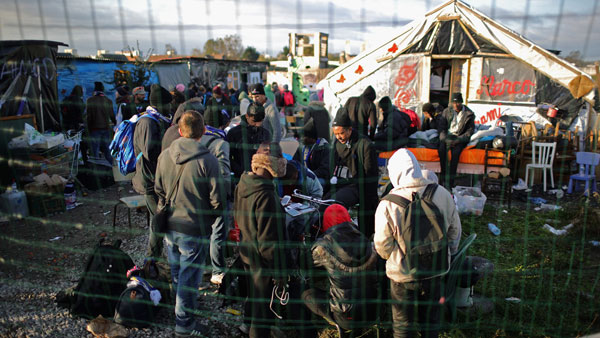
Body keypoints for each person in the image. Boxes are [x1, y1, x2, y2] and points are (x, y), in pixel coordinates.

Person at [374, 149, 461, 338]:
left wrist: (393, 257)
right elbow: (455, 232)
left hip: (402, 274)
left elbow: (382, 246)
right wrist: (448, 252)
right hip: (435, 270)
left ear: (394, 172)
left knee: (402, 325)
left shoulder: (387, 204)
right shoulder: (442, 194)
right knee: (431, 322)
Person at [155, 110, 225, 337]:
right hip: (194, 226)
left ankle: (181, 309)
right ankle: (184, 323)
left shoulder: (164, 155)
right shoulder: (208, 160)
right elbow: (218, 199)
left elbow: (158, 189)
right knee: (188, 275)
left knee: (177, 270)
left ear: (179, 130)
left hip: (170, 224)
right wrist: (212, 216)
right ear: (204, 131)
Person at [234, 142, 289, 338]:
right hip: (262, 261)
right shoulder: (266, 196)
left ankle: (246, 325)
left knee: (253, 296)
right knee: (263, 310)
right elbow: (269, 242)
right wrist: (279, 271)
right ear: (274, 165)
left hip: (247, 250)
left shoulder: (244, 183)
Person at [302, 204, 379, 334]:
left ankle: (311, 331)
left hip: (346, 316)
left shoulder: (323, 246)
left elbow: (304, 263)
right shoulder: (365, 240)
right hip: (374, 310)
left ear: (326, 221)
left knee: (305, 294)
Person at [133, 84, 173, 259]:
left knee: (158, 220)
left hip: (152, 179)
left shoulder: (153, 120)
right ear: (161, 104)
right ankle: (152, 261)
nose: (171, 107)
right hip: (150, 181)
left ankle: (155, 258)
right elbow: (150, 152)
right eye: (168, 104)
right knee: (158, 221)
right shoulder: (148, 122)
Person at [327, 108, 379, 238]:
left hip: (357, 186)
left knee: (334, 202)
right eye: (336, 134)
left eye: (342, 133)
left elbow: (370, 174)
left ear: (350, 130)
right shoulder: (337, 144)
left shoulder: (365, 145)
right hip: (341, 183)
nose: (339, 137)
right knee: (323, 201)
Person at [200, 106, 232, 285]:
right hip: (216, 194)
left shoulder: (195, 139)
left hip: (197, 193)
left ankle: (203, 267)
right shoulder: (221, 143)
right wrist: (226, 195)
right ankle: (217, 270)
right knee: (217, 234)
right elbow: (224, 174)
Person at [226, 103, 271, 177]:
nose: (257, 125)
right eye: (254, 121)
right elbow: (228, 156)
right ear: (247, 116)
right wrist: (240, 172)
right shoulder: (234, 133)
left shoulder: (266, 134)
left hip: (262, 177)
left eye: (260, 121)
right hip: (241, 177)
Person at [439, 92, 475, 187]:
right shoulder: (446, 111)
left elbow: (469, 132)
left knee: (455, 155)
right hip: (448, 137)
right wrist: (445, 140)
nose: (456, 105)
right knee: (442, 150)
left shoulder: (469, 114)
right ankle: (442, 179)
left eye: (458, 102)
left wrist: (458, 140)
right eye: (454, 103)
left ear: (462, 102)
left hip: (459, 137)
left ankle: (450, 183)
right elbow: (441, 129)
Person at [294, 117, 330, 186]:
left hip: (319, 178)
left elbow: (324, 170)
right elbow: (295, 162)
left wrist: (309, 175)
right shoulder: (302, 147)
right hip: (305, 176)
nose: (301, 139)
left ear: (312, 138)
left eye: (304, 137)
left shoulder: (324, 148)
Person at [86, 81, 115, 164]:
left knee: (95, 151)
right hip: (106, 128)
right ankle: (112, 168)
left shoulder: (90, 100)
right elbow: (112, 115)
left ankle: (96, 170)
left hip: (94, 129)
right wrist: (115, 123)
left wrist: (88, 128)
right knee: (108, 151)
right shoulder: (108, 100)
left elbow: (89, 116)